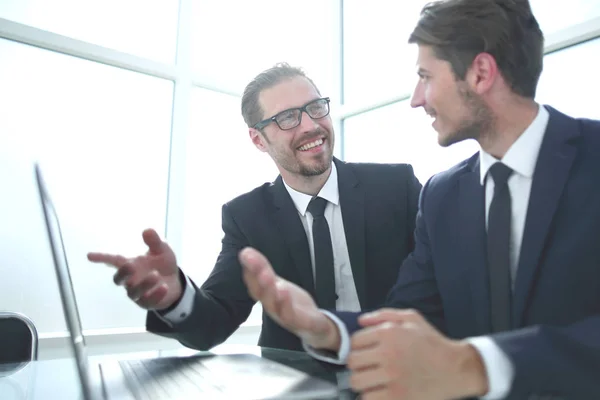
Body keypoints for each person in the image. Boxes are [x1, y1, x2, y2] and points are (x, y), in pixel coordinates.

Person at [238, 1, 600, 399]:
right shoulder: (441, 196)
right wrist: (325, 327)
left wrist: (476, 365)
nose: (416, 99)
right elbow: (411, 317)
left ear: (480, 73)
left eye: (425, 76)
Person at [87, 63, 422, 352]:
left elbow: (443, 287)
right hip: (298, 388)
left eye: (316, 107)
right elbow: (214, 322)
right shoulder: (247, 217)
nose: (310, 125)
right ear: (258, 140)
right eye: (288, 117)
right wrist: (174, 298)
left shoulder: (396, 187)